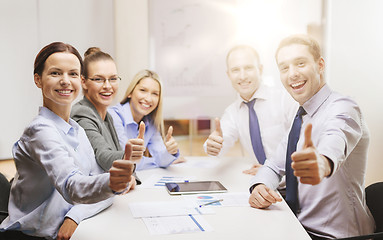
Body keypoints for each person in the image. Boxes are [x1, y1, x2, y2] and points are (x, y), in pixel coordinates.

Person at [0, 42, 136, 240]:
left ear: (80, 80)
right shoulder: (40, 131)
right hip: (34, 235)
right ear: (38, 79)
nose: (65, 81)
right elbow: (72, 186)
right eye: (55, 73)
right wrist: (111, 184)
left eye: (72, 74)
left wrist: (77, 214)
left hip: (71, 228)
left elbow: (96, 182)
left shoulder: (76, 129)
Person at [248, 34, 374, 239]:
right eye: (284, 68)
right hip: (297, 228)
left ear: (320, 65)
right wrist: (260, 186)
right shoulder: (301, 118)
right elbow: (273, 165)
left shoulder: (343, 107)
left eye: (300, 63)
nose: (292, 74)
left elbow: (335, 142)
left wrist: (322, 163)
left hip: (335, 235)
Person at [204, 45, 297, 175]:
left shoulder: (285, 100)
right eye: (235, 70)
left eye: (248, 68)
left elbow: (302, 146)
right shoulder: (232, 112)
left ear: (260, 69)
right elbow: (220, 143)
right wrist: (212, 146)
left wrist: (272, 170)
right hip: (263, 185)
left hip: (295, 185)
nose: (242, 76)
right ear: (228, 74)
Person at [71, 48, 143, 183]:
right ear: (84, 82)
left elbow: (116, 154)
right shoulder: (82, 112)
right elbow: (104, 157)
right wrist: (129, 154)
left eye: (113, 79)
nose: (108, 86)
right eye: (99, 79)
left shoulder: (107, 115)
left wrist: (132, 177)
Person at [108, 69, 183, 170]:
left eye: (155, 94)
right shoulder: (114, 116)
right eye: (143, 90)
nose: (148, 99)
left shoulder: (150, 122)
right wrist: (156, 162)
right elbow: (128, 160)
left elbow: (161, 158)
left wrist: (170, 152)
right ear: (130, 93)